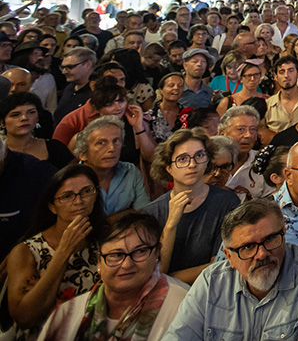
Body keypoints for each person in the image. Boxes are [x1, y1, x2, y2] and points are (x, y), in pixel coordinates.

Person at [161, 198, 298, 340]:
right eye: (247, 247)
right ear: (228, 256)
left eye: (270, 239)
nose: (261, 254)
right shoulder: (211, 281)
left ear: (284, 234)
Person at [35, 211, 189, 341]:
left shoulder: (184, 305)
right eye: (116, 255)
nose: (127, 264)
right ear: (99, 262)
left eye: (140, 251)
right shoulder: (69, 312)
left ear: (156, 254)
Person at [6, 165, 106, 338]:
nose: (79, 201)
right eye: (67, 196)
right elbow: (24, 317)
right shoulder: (26, 251)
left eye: (86, 191)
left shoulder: (106, 240)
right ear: (52, 206)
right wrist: (63, 251)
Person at [142, 128, 241, 284]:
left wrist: (165, 280)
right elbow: (155, 270)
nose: (192, 164)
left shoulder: (227, 202)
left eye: (199, 156)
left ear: (207, 160)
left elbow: (220, 265)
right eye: (182, 159)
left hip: (211, 288)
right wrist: (170, 226)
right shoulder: (151, 212)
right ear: (169, 168)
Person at [74, 117, 147, 216]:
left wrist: (109, 221)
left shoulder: (131, 171)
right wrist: (127, 212)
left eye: (116, 141)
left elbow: (144, 213)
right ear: (83, 154)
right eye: (101, 143)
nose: (112, 148)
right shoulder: (70, 181)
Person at [2, 92, 73, 168]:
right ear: (2, 122)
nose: (24, 118)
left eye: (31, 112)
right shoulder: (2, 150)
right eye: (15, 115)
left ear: (38, 117)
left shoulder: (56, 148)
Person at [262, 56, 298, 142]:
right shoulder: (267, 104)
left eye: (291, 71)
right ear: (275, 77)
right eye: (282, 72)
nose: (286, 76)